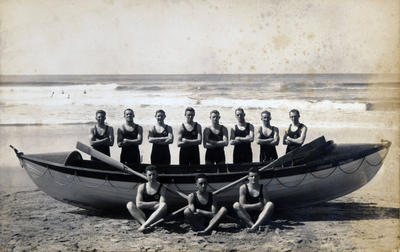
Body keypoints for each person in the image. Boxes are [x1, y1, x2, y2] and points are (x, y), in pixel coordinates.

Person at [126, 165, 168, 232]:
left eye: (154, 174)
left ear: (157, 175)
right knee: (129, 204)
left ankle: (145, 226)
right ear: (146, 175)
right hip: (143, 216)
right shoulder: (142, 187)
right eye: (150, 175)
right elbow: (138, 205)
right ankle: (145, 224)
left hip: (156, 216)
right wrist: (153, 203)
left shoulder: (162, 187)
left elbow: (161, 205)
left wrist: (144, 205)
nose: (152, 177)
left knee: (164, 205)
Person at [233, 167, 274, 232]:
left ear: (259, 177)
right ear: (248, 177)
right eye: (251, 176)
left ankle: (254, 227)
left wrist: (252, 206)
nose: (254, 178)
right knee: (236, 205)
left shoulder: (263, 188)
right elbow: (242, 206)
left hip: (260, 216)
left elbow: (266, 206)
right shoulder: (243, 188)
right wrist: (257, 205)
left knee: (270, 204)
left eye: (256, 176)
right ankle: (253, 226)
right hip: (248, 216)